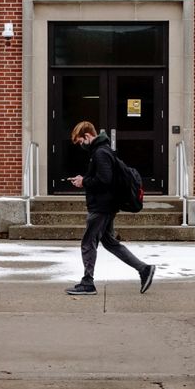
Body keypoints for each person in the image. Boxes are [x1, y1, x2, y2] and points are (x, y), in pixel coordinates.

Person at [65, 120, 156, 296]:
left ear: (87, 136)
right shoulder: (102, 151)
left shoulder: (100, 153)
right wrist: (84, 179)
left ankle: (88, 282)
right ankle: (144, 269)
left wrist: (84, 181)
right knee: (110, 243)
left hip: (101, 207)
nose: (80, 146)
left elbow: (105, 180)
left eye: (80, 142)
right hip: (106, 205)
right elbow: (103, 177)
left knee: (88, 242)